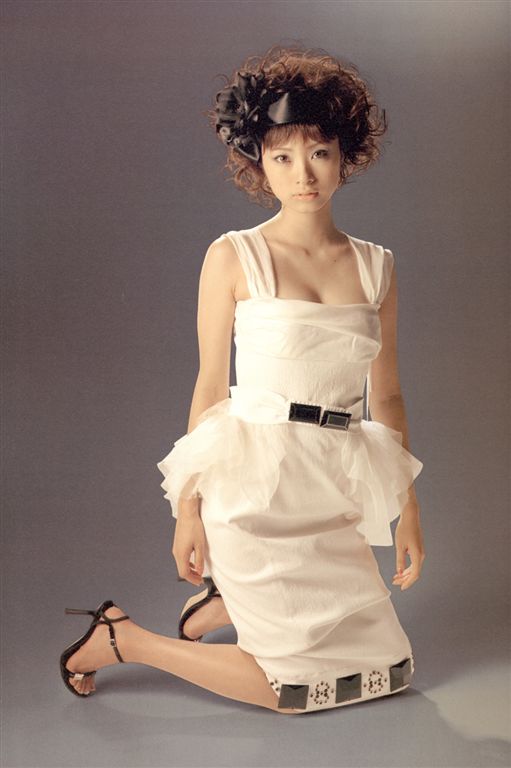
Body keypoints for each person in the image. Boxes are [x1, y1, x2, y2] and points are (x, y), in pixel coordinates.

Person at [60, 43, 426, 715]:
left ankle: (226, 602)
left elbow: (389, 396)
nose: (302, 175)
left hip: (330, 489)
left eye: (319, 153)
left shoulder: (377, 267)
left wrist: (409, 509)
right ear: (259, 161)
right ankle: (122, 639)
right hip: (253, 486)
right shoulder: (234, 256)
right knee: (292, 691)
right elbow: (209, 389)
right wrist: (188, 510)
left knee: (386, 671)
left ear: (345, 155)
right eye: (282, 157)